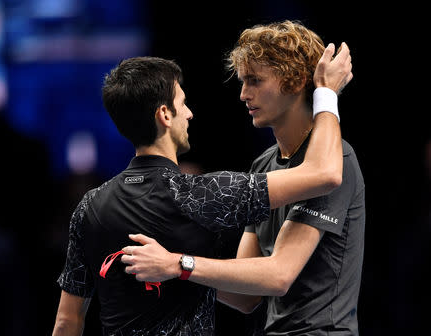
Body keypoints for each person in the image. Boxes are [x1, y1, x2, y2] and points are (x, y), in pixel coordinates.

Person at [52, 39, 352, 335]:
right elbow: (325, 172)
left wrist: (178, 265)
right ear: (164, 115)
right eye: (183, 104)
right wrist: (326, 92)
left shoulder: (88, 207)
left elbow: (66, 322)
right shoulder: (203, 193)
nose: (190, 113)